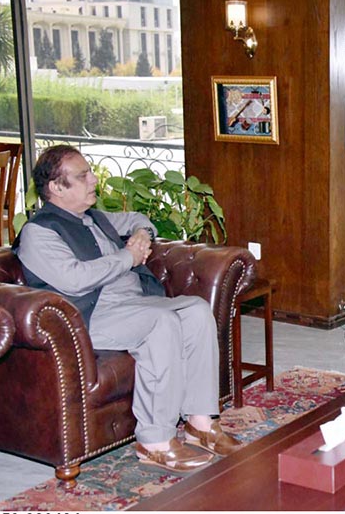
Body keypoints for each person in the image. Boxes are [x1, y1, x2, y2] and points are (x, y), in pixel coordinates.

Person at [14, 145, 241, 473]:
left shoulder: (92, 217)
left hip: (133, 305)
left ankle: (200, 423)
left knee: (195, 310)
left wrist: (139, 235)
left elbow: (140, 219)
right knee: (160, 321)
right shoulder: (40, 233)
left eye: (90, 171)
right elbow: (75, 280)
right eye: (82, 176)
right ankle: (155, 441)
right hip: (89, 317)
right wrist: (128, 257)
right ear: (56, 188)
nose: (93, 179)